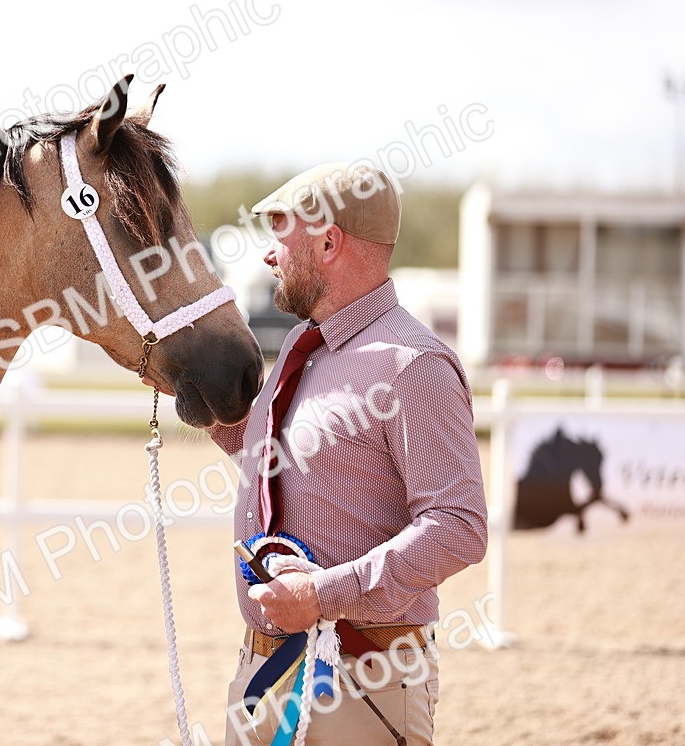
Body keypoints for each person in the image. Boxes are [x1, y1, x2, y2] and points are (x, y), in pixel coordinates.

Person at [204, 163, 488, 745]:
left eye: (281, 235)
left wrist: (321, 594)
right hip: (264, 672)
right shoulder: (302, 346)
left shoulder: (415, 364)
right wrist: (203, 398)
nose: (269, 255)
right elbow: (273, 463)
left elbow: (459, 526)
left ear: (329, 242)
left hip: (364, 681)